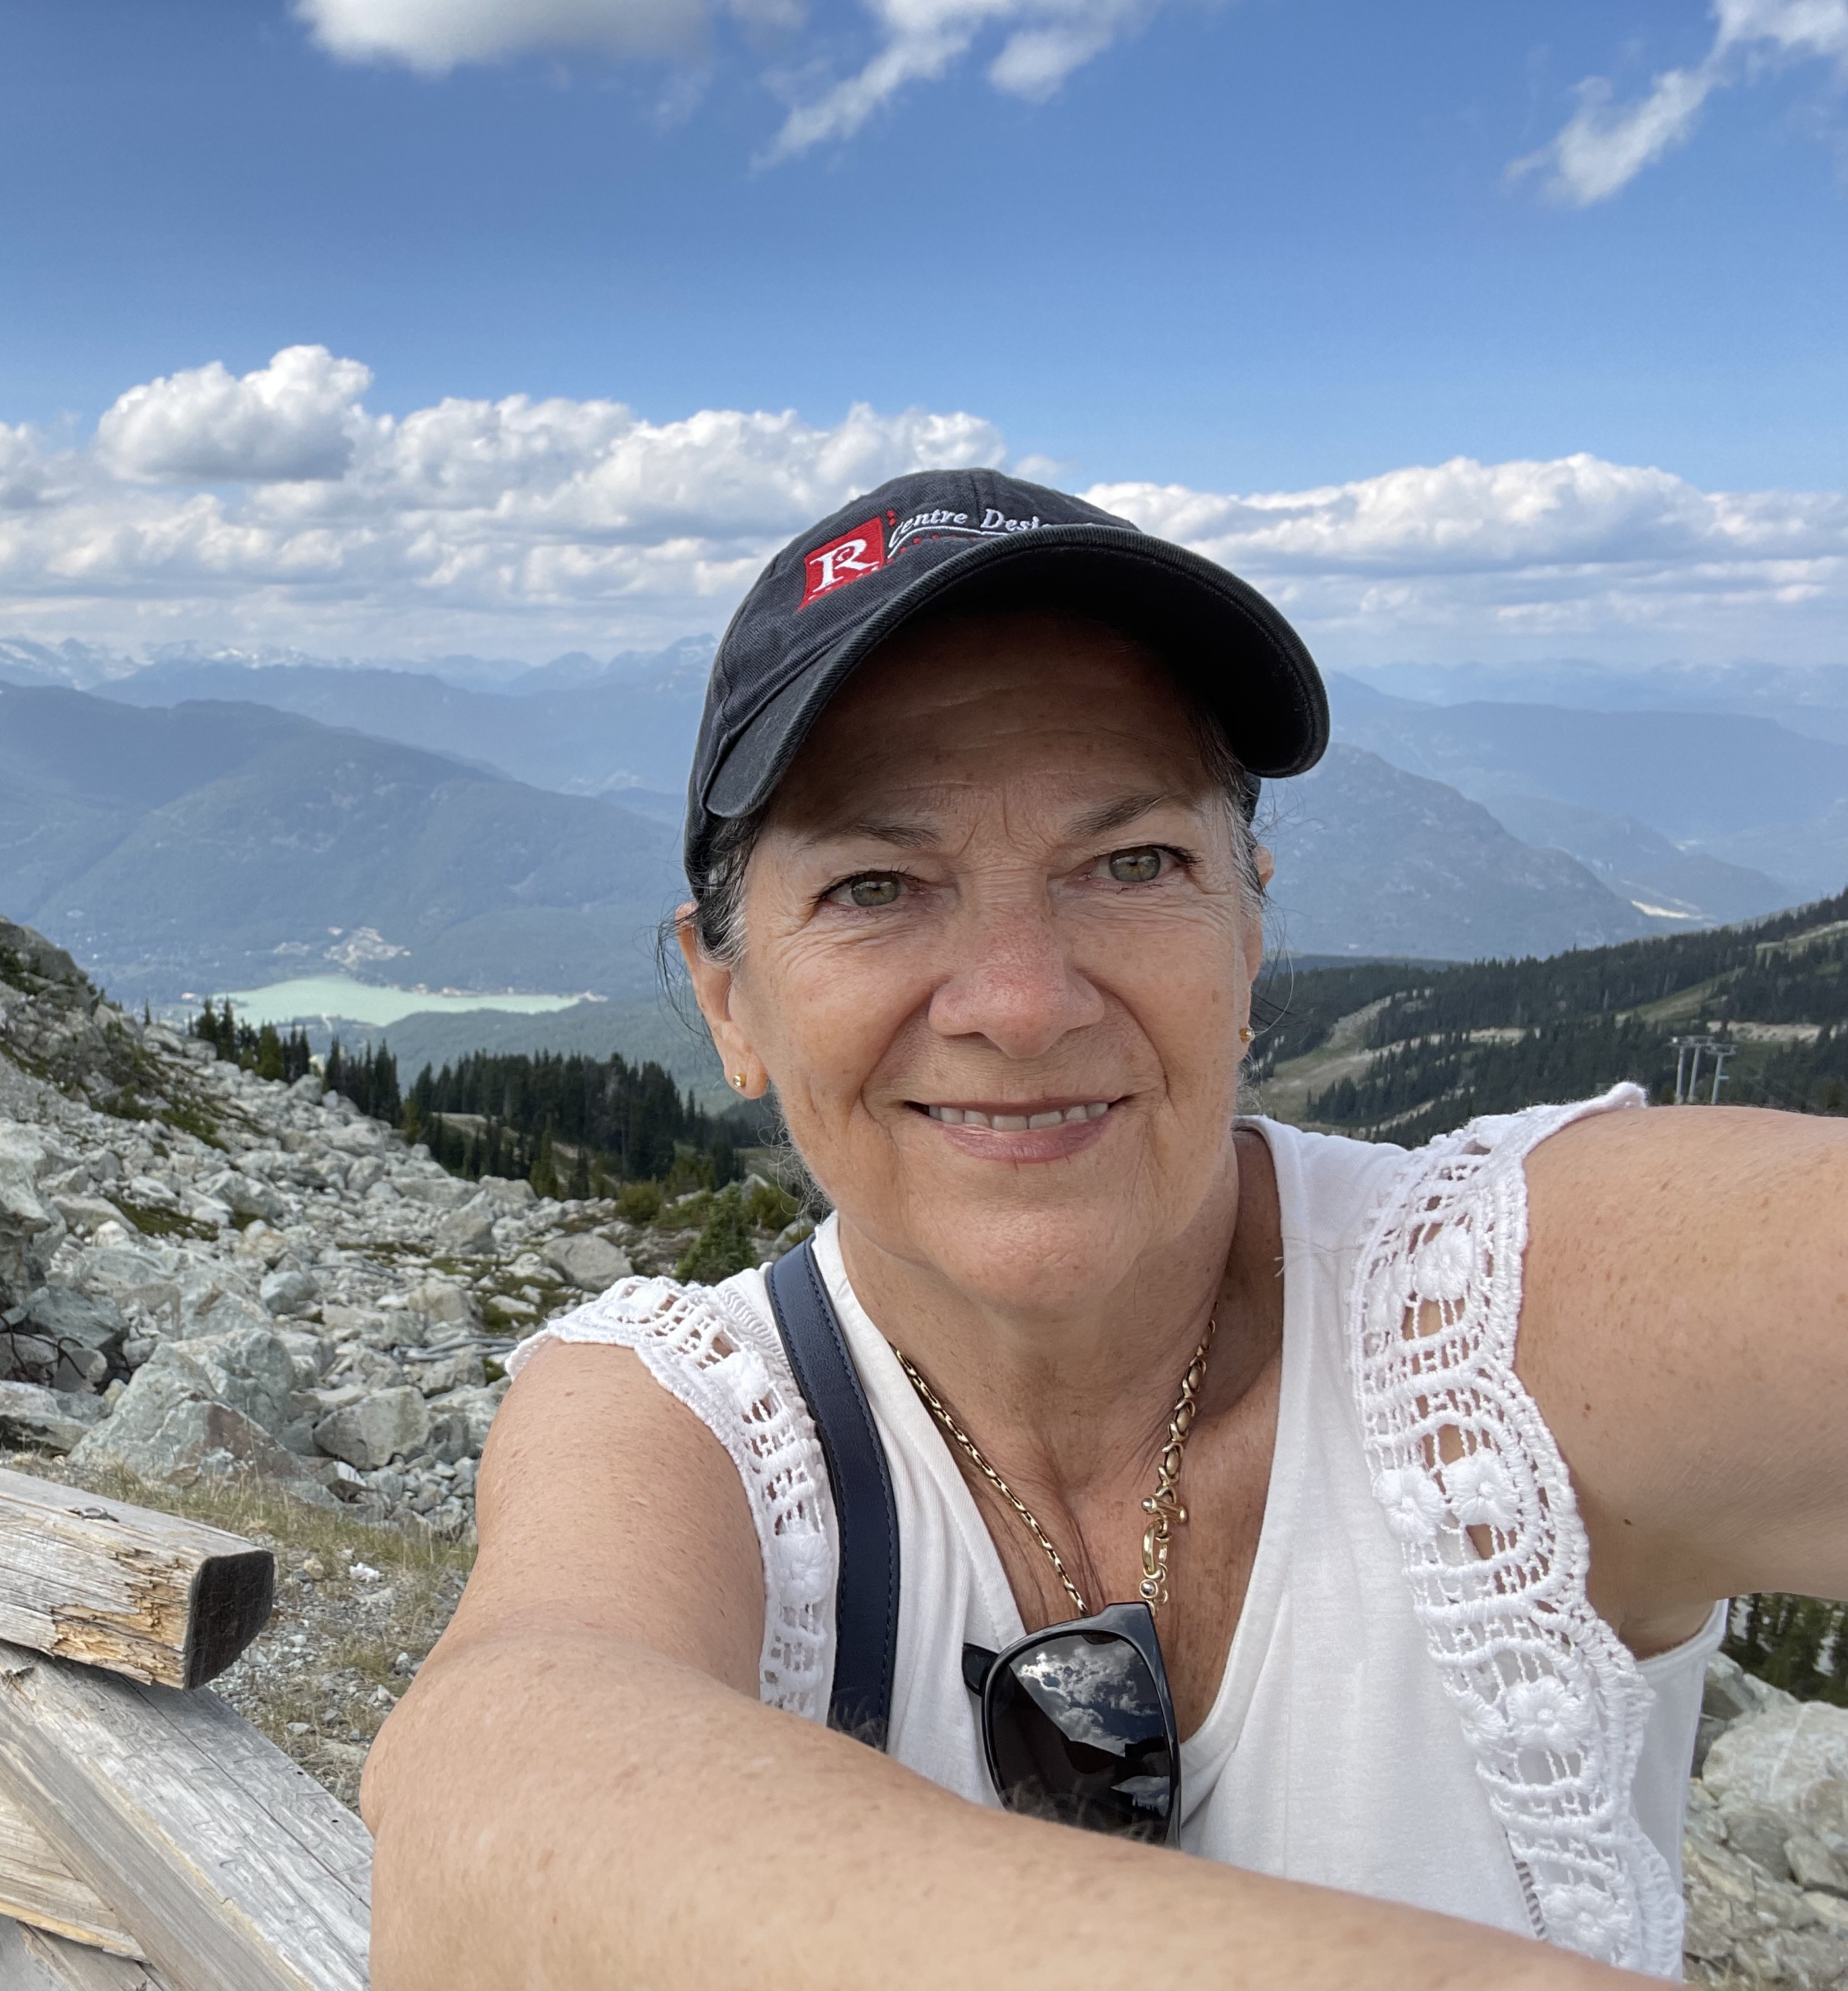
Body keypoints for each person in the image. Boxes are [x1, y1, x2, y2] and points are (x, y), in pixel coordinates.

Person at [363, 467, 1848, 1988]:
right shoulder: (680, 1414)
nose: (1021, 1004)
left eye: (1134, 864)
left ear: (1250, 925)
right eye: (876, 885)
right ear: (729, 998)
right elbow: (499, 1801)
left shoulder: (1511, 1305)